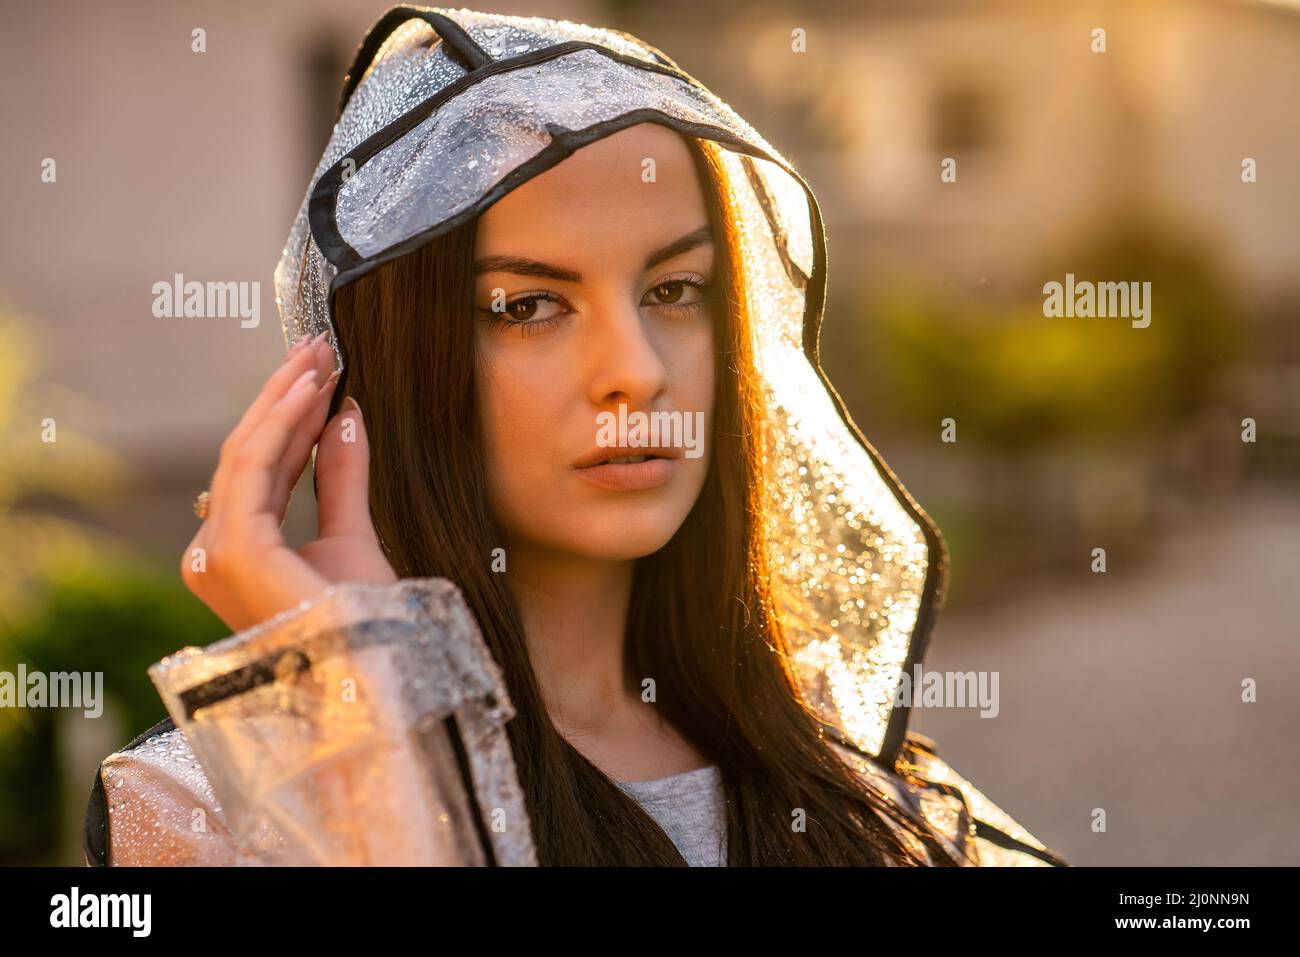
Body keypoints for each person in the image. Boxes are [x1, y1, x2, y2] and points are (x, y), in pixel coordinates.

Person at [84, 5, 1066, 868]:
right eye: (527, 306)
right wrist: (360, 711)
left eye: (675, 291)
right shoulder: (215, 807)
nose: (635, 369)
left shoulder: (847, 768)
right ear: (374, 370)